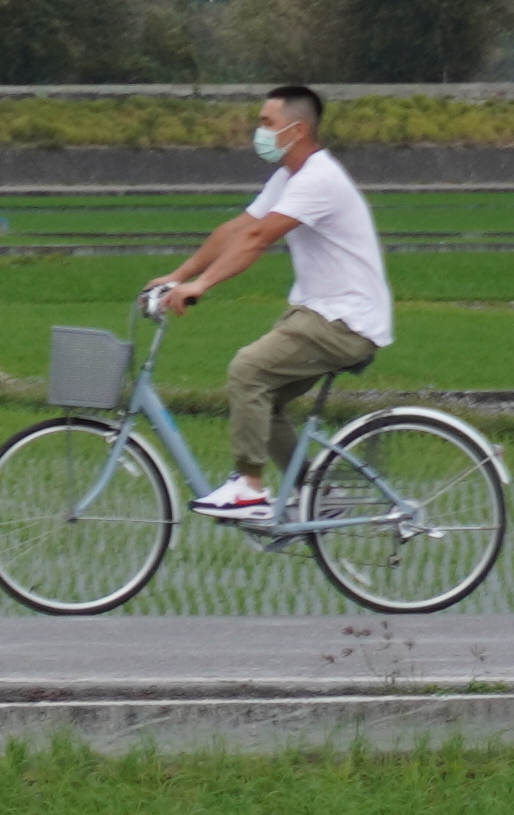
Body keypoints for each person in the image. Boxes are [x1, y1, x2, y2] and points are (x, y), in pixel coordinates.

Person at [141, 81, 394, 522]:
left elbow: (258, 239)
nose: (257, 132)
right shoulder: (290, 176)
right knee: (265, 401)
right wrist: (179, 275)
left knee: (248, 370)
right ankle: (319, 493)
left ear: (295, 131)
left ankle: (249, 489)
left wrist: (202, 286)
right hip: (320, 312)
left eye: (266, 123)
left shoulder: (319, 179)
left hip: (345, 320)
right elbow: (239, 228)